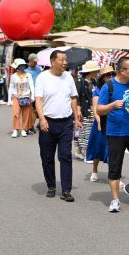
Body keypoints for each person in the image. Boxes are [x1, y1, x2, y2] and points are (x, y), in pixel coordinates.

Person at [96, 57, 129, 213]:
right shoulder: (109, 86)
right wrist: (112, 105)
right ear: (123, 71)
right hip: (115, 133)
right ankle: (115, 199)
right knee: (115, 167)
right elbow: (99, 109)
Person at [35, 50, 82, 203]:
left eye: (65, 60)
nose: (65, 63)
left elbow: (73, 98)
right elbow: (38, 100)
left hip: (66, 123)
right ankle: (51, 186)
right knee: (47, 157)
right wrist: (41, 119)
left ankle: (66, 190)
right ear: (53, 61)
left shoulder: (68, 77)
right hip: (48, 122)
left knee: (65, 156)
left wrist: (76, 118)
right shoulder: (42, 77)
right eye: (62, 60)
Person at [86, 66, 115, 183]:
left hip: (113, 122)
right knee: (98, 148)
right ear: (102, 78)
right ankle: (94, 170)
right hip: (101, 122)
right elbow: (95, 109)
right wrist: (99, 122)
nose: (111, 77)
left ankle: (112, 174)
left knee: (113, 149)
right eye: (108, 75)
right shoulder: (97, 90)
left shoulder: (116, 88)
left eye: (112, 74)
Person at [76, 61, 100, 160]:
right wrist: (78, 110)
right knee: (85, 131)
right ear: (91, 72)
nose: (97, 72)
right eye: (95, 70)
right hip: (85, 110)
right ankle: (86, 153)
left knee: (86, 131)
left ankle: (78, 151)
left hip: (93, 109)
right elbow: (77, 98)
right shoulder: (81, 83)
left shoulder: (94, 82)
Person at [9, 58, 35, 138]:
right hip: (16, 97)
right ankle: (15, 129)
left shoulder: (28, 75)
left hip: (26, 96)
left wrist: (33, 95)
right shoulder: (13, 76)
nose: (22, 67)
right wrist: (9, 99)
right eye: (20, 66)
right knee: (16, 114)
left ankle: (24, 129)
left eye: (23, 66)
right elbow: (11, 87)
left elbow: (31, 86)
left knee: (26, 114)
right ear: (17, 67)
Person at [25, 53, 42, 135]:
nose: (35, 63)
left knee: (36, 110)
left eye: (36, 62)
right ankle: (28, 126)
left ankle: (31, 126)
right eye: (34, 62)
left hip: (38, 92)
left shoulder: (38, 69)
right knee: (30, 110)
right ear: (30, 61)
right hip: (29, 93)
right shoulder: (26, 71)